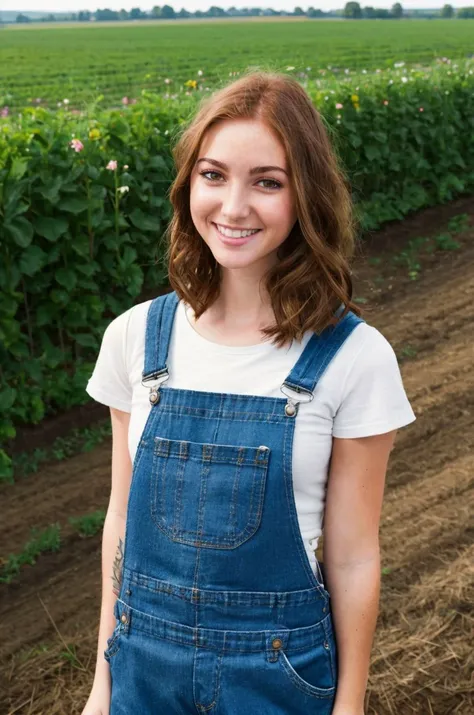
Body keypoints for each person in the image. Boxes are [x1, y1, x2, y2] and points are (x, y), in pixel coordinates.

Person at [82, 70, 416, 715]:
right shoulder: (134, 340)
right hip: (141, 673)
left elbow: (351, 558)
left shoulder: (353, 357)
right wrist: (103, 684)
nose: (233, 207)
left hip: (278, 680)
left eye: (267, 182)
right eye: (213, 175)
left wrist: (348, 708)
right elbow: (120, 521)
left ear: (306, 198)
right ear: (188, 188)